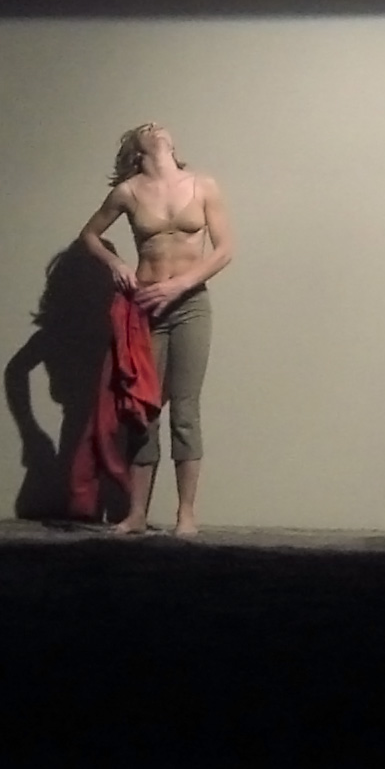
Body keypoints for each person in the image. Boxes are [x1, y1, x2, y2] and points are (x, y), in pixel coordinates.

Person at [79, 122, 235, 536]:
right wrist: (115, 263)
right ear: (136, 150)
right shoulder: (128, 192)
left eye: (160, 126)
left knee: (185, 410)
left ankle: (186, 514)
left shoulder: (202, 185)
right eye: (146, 128)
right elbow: (89, 235)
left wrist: (180, 285)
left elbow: (224, 250)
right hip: (145, 307)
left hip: (190, 305)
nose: (156, 127)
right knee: (142, 410)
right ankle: (136, 514)